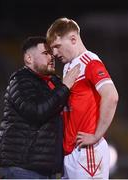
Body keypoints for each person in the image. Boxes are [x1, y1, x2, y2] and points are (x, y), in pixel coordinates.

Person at [0, 36, 80, 179]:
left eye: (52, 53)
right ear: (29, 58)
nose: (52, 56)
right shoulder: (20, 80)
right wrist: (65, 87)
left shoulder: (53, 83)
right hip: (23, 169)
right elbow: (36, 112)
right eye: (45, 53)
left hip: (46, 170)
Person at [46, 17, 119, 179]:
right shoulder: (68, 67)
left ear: (73, 39)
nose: (55, 53)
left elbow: (111, 96)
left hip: (88, 151)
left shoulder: (90, 61)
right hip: (71, 151)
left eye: (57, 46)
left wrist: (96, 135)